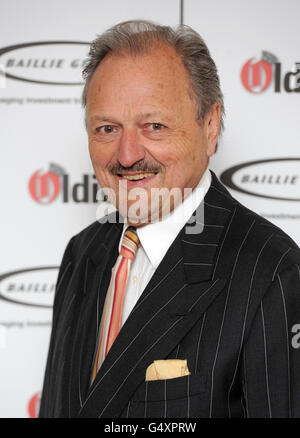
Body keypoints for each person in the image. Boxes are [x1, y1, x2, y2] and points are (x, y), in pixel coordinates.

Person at [39, 20, 300, 418]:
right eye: (107, 128)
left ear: (209, 127)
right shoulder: (82, 253)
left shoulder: (270, 271)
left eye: (154, 126)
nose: (126, 155)